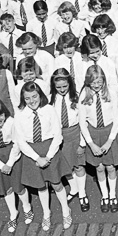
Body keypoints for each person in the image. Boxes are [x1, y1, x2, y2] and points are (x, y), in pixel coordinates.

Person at [14, 82, 72, 231]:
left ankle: (66, 210)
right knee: (41, 186)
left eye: (34, 96)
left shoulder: (49, 109)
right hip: (32, 154)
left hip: (49, 150)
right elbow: (20, 141)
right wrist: (37, 158)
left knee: (56, 183)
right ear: (23, 99)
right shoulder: (20, 114)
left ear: (40, 95)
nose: (32, 101)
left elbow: (57, 135)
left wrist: (49, 156)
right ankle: (46, 213)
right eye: (27, 98)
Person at [0, 99, 32, 232]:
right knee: (6, 188)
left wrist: (9, 163)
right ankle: (13, 212)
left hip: (12, 156)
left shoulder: (11, 123)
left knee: (18, 186)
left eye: (1, 115)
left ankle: (27, 207)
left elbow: (17, 144)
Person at [78, 65, 118, 214]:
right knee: (99, 167)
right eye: (93, 82)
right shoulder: (84, 95)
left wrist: (110, 141)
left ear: (104, 80)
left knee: (110, 167)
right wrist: (91, 144)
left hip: (109, 133)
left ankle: (112, 195)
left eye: (99, 82)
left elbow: (117, 119)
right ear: (88, 81)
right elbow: (82, 122)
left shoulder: (111, 93)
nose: (96, 85)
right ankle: (104, 195)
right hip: (94, 134)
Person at [50, 69, 88, 211]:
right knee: (66, 165)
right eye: (58, 87)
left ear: (70, 84)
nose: (61, 90)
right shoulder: (51, 100)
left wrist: (82, 143)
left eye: (64, 86)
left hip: (75, 133)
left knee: (78, 164)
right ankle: (74, 188)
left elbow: (83, 121)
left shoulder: (76, 98)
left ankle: (83, 193)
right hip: (61, 135)